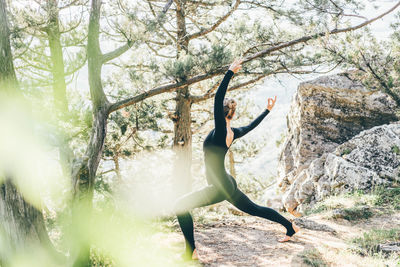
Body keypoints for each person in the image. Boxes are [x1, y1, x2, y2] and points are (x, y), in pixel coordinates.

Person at [174, 59, 299, 260]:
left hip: (218, 186)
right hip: (227, 182)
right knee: (255, 209)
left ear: (221, 112)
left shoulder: (220, 130)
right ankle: (290, 227)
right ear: (232, 113)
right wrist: (266, 111)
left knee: (180, 206)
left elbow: (218, 98)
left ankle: (191, 252)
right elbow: (251, 126)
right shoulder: (232, 132)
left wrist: (229, 72)